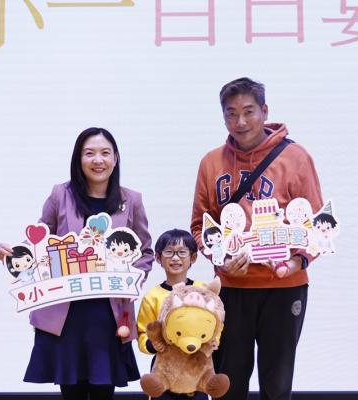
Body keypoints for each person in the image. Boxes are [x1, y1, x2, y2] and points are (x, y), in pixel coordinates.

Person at [190, 77, 324, 400]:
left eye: (249, 111)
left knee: (276, 385)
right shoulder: (211, 163)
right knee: (228, 383)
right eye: (231, 113)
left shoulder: (296, 158)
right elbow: (199, 226)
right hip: (231, 288)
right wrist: (221, 259)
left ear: (264, 111)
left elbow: (318, 224)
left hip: (284, 287)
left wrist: (297, 262)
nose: (240, 122)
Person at [0, 127, 154, 400]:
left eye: (105, 153)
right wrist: (14, 254)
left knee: (104, 390)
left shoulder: (131, 200)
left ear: (115, 158)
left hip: (109, 313)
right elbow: (40, 241)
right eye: (89, 153)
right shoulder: (60, 194)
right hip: (66, 312)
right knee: (72, 392)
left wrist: (130, 280)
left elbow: (145, 252)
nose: (98, 160)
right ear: (78, 159)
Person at [136, 229, 209, 400]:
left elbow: (215, 325)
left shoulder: (203, 291)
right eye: (169, 252)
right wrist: (152, 344)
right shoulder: (152, 296)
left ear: (193, 257)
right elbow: (142, 333)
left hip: (196, 369)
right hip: (163, 371)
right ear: (158, 258)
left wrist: (210, 344)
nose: (175, 258)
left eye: (182, 252)